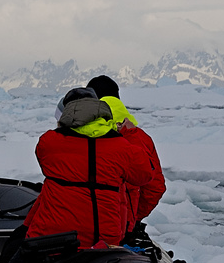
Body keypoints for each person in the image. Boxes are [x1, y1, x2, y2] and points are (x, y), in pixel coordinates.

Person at [28, 87, 159, 249]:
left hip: (52, 238)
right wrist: (131, 133)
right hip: (103, 242)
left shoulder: (48, 142)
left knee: (12, 258)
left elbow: (46, 160)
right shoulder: (122, 148)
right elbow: (145, 175)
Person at [86, 75, 166, 240]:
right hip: (120, 230)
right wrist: (133, 218)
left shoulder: (79, 131)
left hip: (81, 224)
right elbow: (155, 187)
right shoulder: (140, 137)